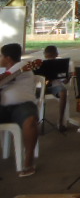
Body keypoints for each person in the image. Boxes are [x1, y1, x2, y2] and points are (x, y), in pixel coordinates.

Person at [0, 43, 38, 177]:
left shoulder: (22, 65)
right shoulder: (3, 70)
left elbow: (5, 77)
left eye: (1, 56)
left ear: (8, 58)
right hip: (3, 108)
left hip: (22, 105)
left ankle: (28, 160)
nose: (0, 59)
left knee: (30, 119)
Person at [43, 45, 75, 131]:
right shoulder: (41, 64)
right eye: (48, 57)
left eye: (52, 56)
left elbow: (65, 81)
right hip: (42, 87)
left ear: (56, 55)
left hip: (55, 86)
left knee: (63, 92)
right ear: (45, 56)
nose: (50, 59)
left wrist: (69, 76)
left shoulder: (60, 64)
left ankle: (60, 121)